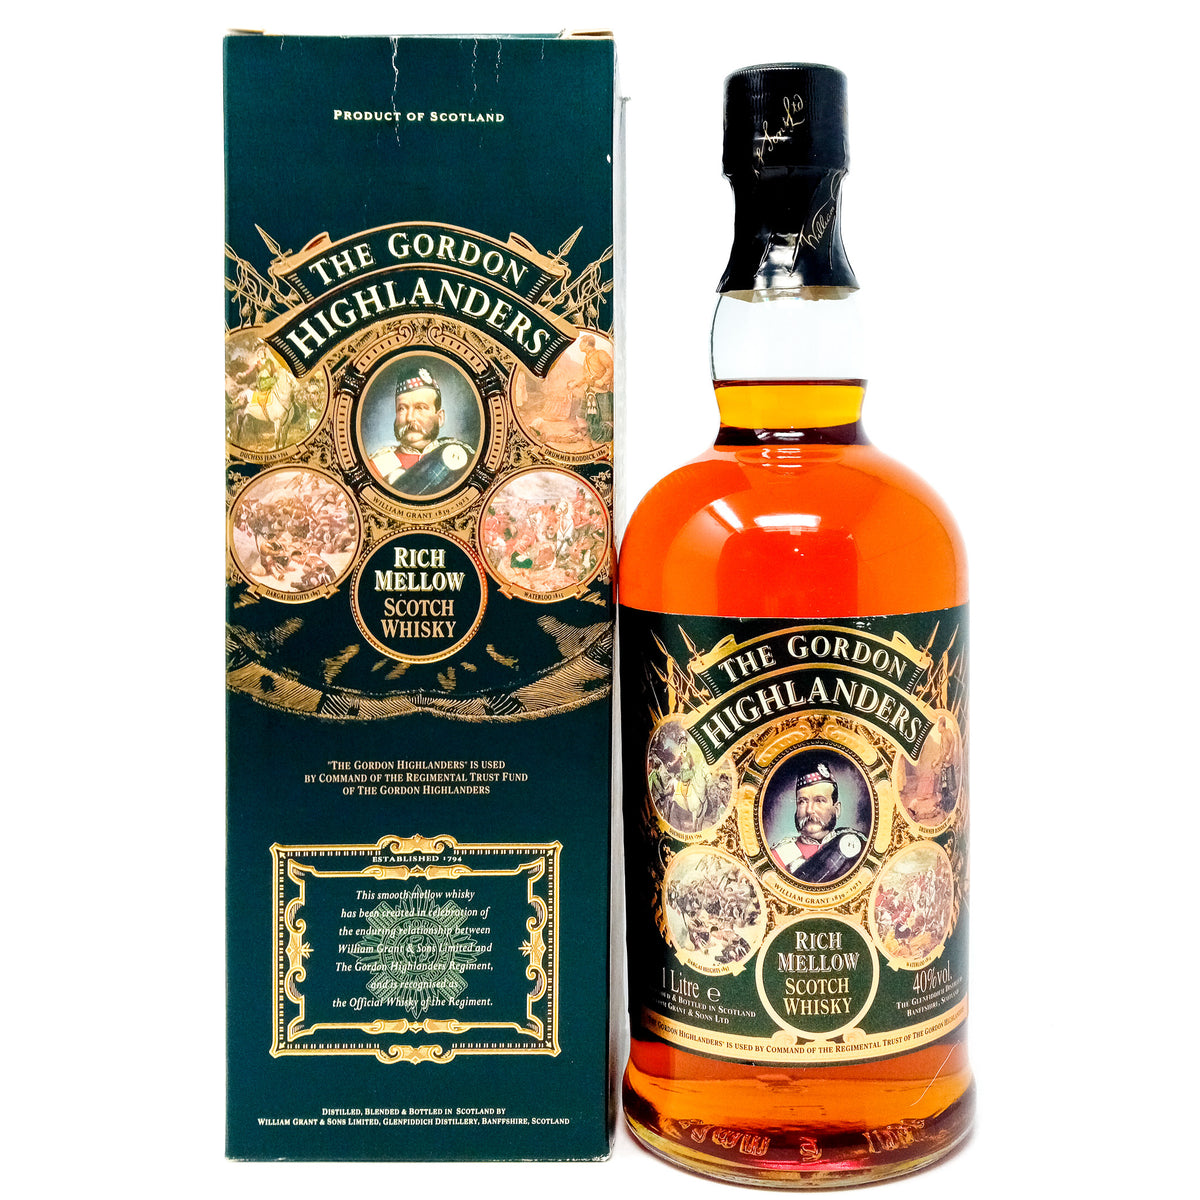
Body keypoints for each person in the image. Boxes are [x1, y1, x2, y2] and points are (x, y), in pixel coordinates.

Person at [368, 368, 474, 495]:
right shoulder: (376, 467)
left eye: (420, 408)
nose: (410, 417)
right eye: (402, 408)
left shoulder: (460, 455)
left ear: (440, 418)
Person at [770, 762, 867, 884]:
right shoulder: (777, 857)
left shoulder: (856, 845)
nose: (809, 810)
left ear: (836, 810)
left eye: (819, 800)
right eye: (802, 801)